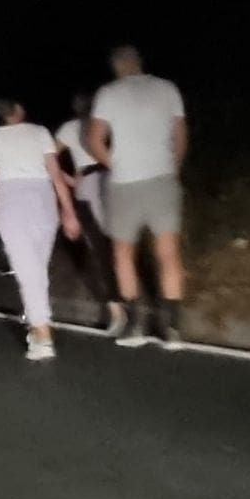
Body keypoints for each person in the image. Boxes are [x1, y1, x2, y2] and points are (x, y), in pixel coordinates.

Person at [87, 45, 189, 349]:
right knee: (169, 253)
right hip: (162, 179)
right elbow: (180, 135)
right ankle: (172, 328)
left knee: (123, 254)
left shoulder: (108, 93)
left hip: (124, 183)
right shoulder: (167, 89)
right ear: (139, 62)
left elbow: (94, 140)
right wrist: (172, 167)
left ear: (116, 67)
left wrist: (114, 163)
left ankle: (135, 326)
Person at [0, 99, 81, 361]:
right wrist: (69, 212)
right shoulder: (40, 132)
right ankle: (38, 326)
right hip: (43, 201)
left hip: (12, 203)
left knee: (30, 272)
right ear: (19, 109)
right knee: (36, 271)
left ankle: (43, 336)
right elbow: (56, 175)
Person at [56, 92, 126, 334]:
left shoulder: (70, 127)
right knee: (119, 246)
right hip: (111, 179)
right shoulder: (107, 123)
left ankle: (117, 312)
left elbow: (48, 158)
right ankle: (125, 307)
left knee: (102, 249)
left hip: (89, 184)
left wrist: (68, 179)